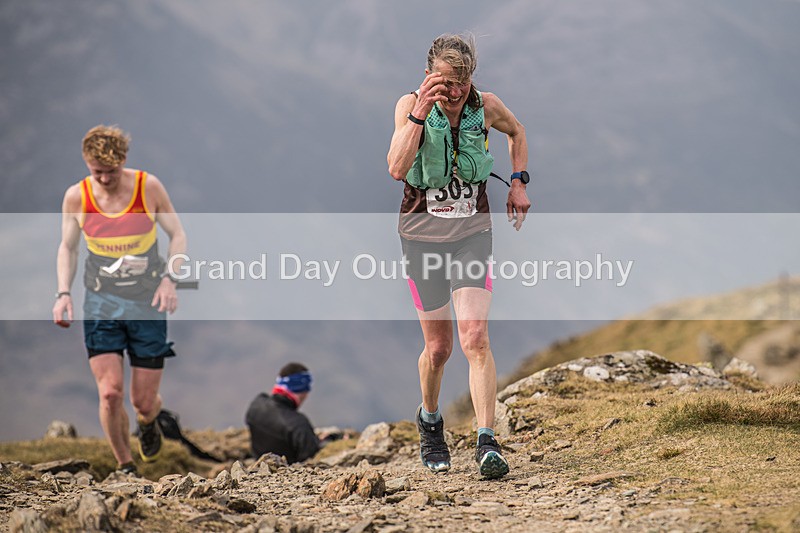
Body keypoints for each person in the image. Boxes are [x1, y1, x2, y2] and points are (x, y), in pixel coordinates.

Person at [387, 34, 531, 479]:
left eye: (463, 82)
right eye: (446, 83)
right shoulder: (409, 105)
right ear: (428, 75)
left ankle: (487, 441)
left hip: (472, 233)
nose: (454, 93)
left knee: (475, 338)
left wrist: (520, 181)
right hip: (421, 238)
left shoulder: (485, 105)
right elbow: (395, 167)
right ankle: (430, 422)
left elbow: (517, 131)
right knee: (438, 349)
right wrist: (417, 114)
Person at [52, 125, 186, 475]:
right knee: (110, 393)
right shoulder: (76, 197)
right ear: (86, 164)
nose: (105, 179)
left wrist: (171, 280)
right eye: (97, 172)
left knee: (142, 402)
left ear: (123, 161)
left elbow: (178, 234)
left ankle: (150, 420)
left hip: (146, 303)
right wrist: (63, 293)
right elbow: (68, 246)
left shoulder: (148, 187)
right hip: (101, 303)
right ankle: (126, 466)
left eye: (111, 171)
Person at [245, 362, 321, 464]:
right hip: (288, 475)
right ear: (303, 390)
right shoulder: (298, 424)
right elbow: (311, 458)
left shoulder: (256, 405)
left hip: (256, 468)